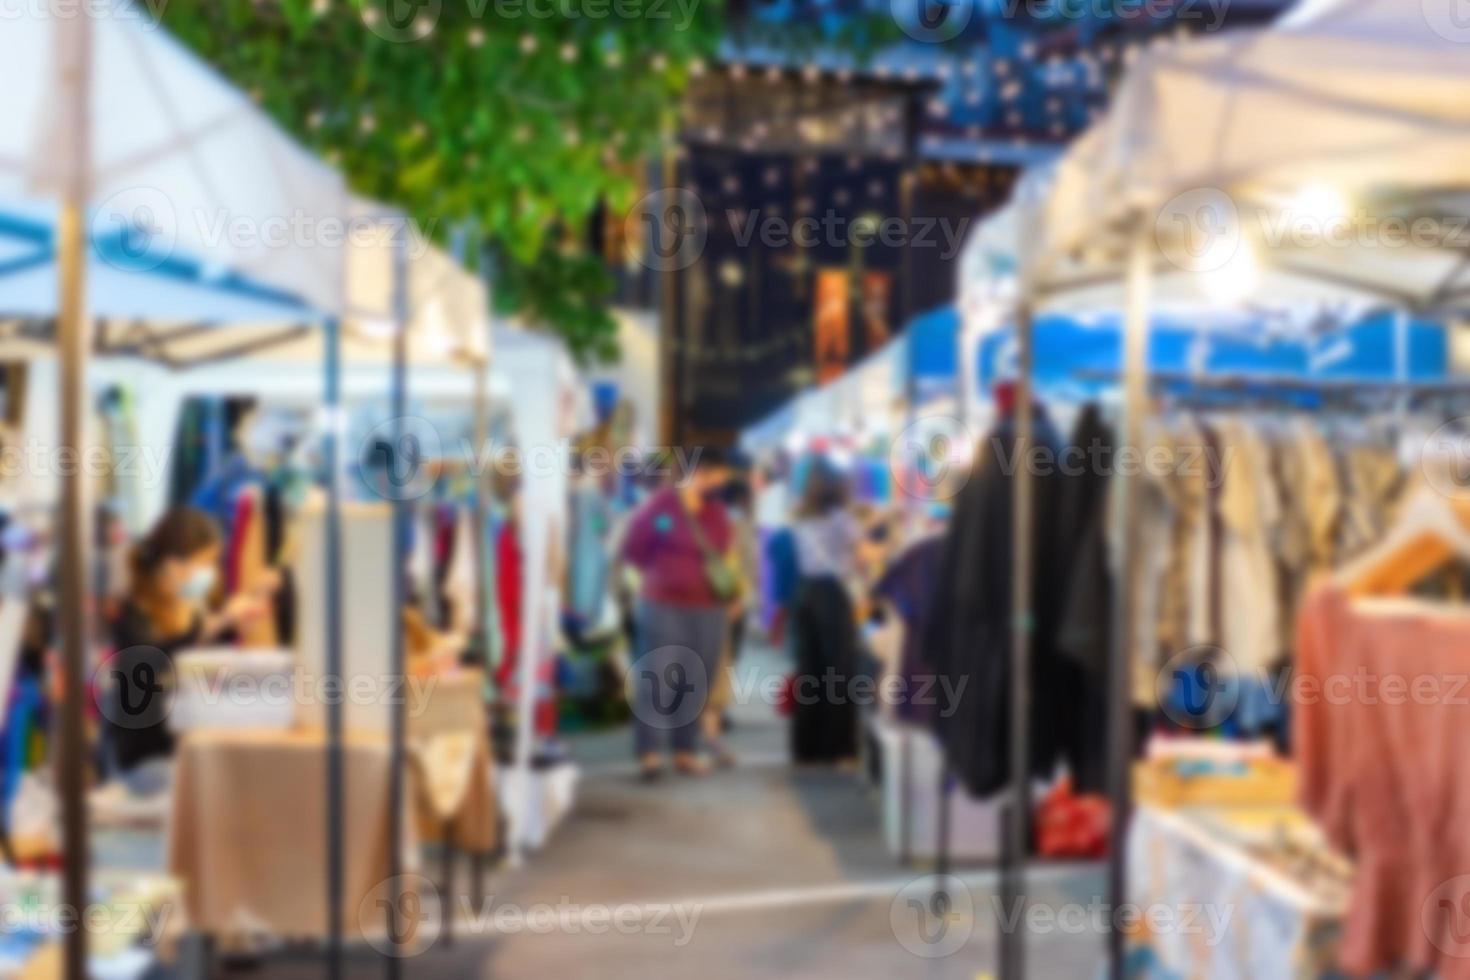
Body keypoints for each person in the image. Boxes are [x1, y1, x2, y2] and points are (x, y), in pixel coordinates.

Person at [107, 507, 269, 790]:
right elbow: (154, 663)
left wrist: (234, 624)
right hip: (146, 759)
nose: (212, 573)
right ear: (173, 564)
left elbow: (204, 665)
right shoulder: (131, 614)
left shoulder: (191, 609)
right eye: (206, 562)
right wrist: (214, 627)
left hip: (189, 748)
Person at [620, 447, 735, 781]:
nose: (720, 481)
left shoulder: (715, 510)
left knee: (696, 676)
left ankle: (685, 750)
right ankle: (650, 754)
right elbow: (635, 548)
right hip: (663, 604)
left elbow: (724, 546)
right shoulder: (662, 506)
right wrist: (663, 576)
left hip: (708, 605)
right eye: (714, 474)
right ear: (695, 473)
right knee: (658, 674)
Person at [789, 457, 863, 765]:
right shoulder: (841, 519)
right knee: (839, 670)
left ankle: (807, 747)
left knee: (810, 670)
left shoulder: (801, 515)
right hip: (832, 594)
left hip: (805, 593)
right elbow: (860, 556)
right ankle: (839, 748)